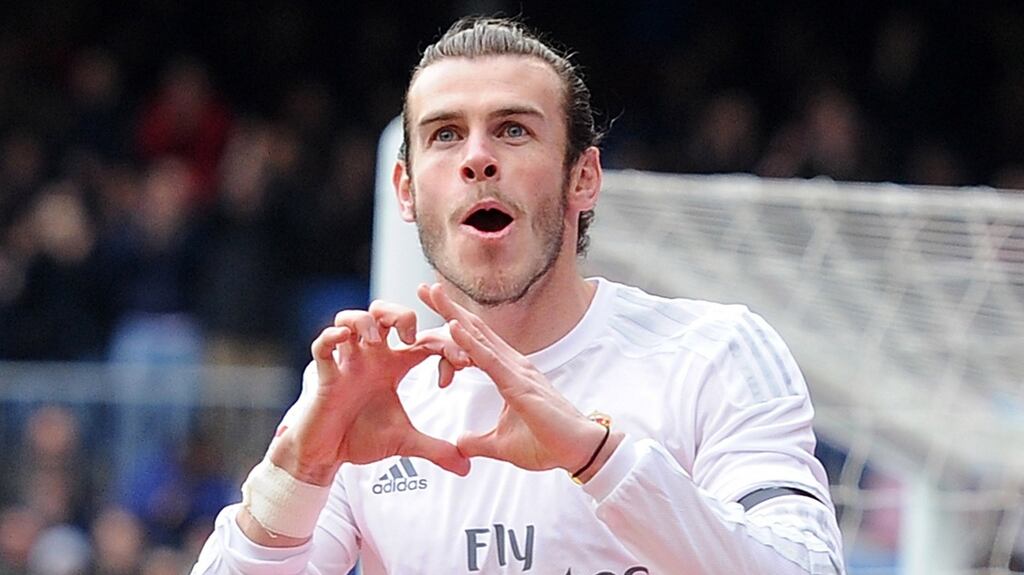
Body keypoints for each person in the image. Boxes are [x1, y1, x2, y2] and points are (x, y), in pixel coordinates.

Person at [192, 16, 846, 574]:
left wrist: (597, 457)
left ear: (584, 176)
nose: (477, 158)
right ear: (406, 189)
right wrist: (300, 467)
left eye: (513, 130)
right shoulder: (370, 396)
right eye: (446, 134)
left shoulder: (716, 354)